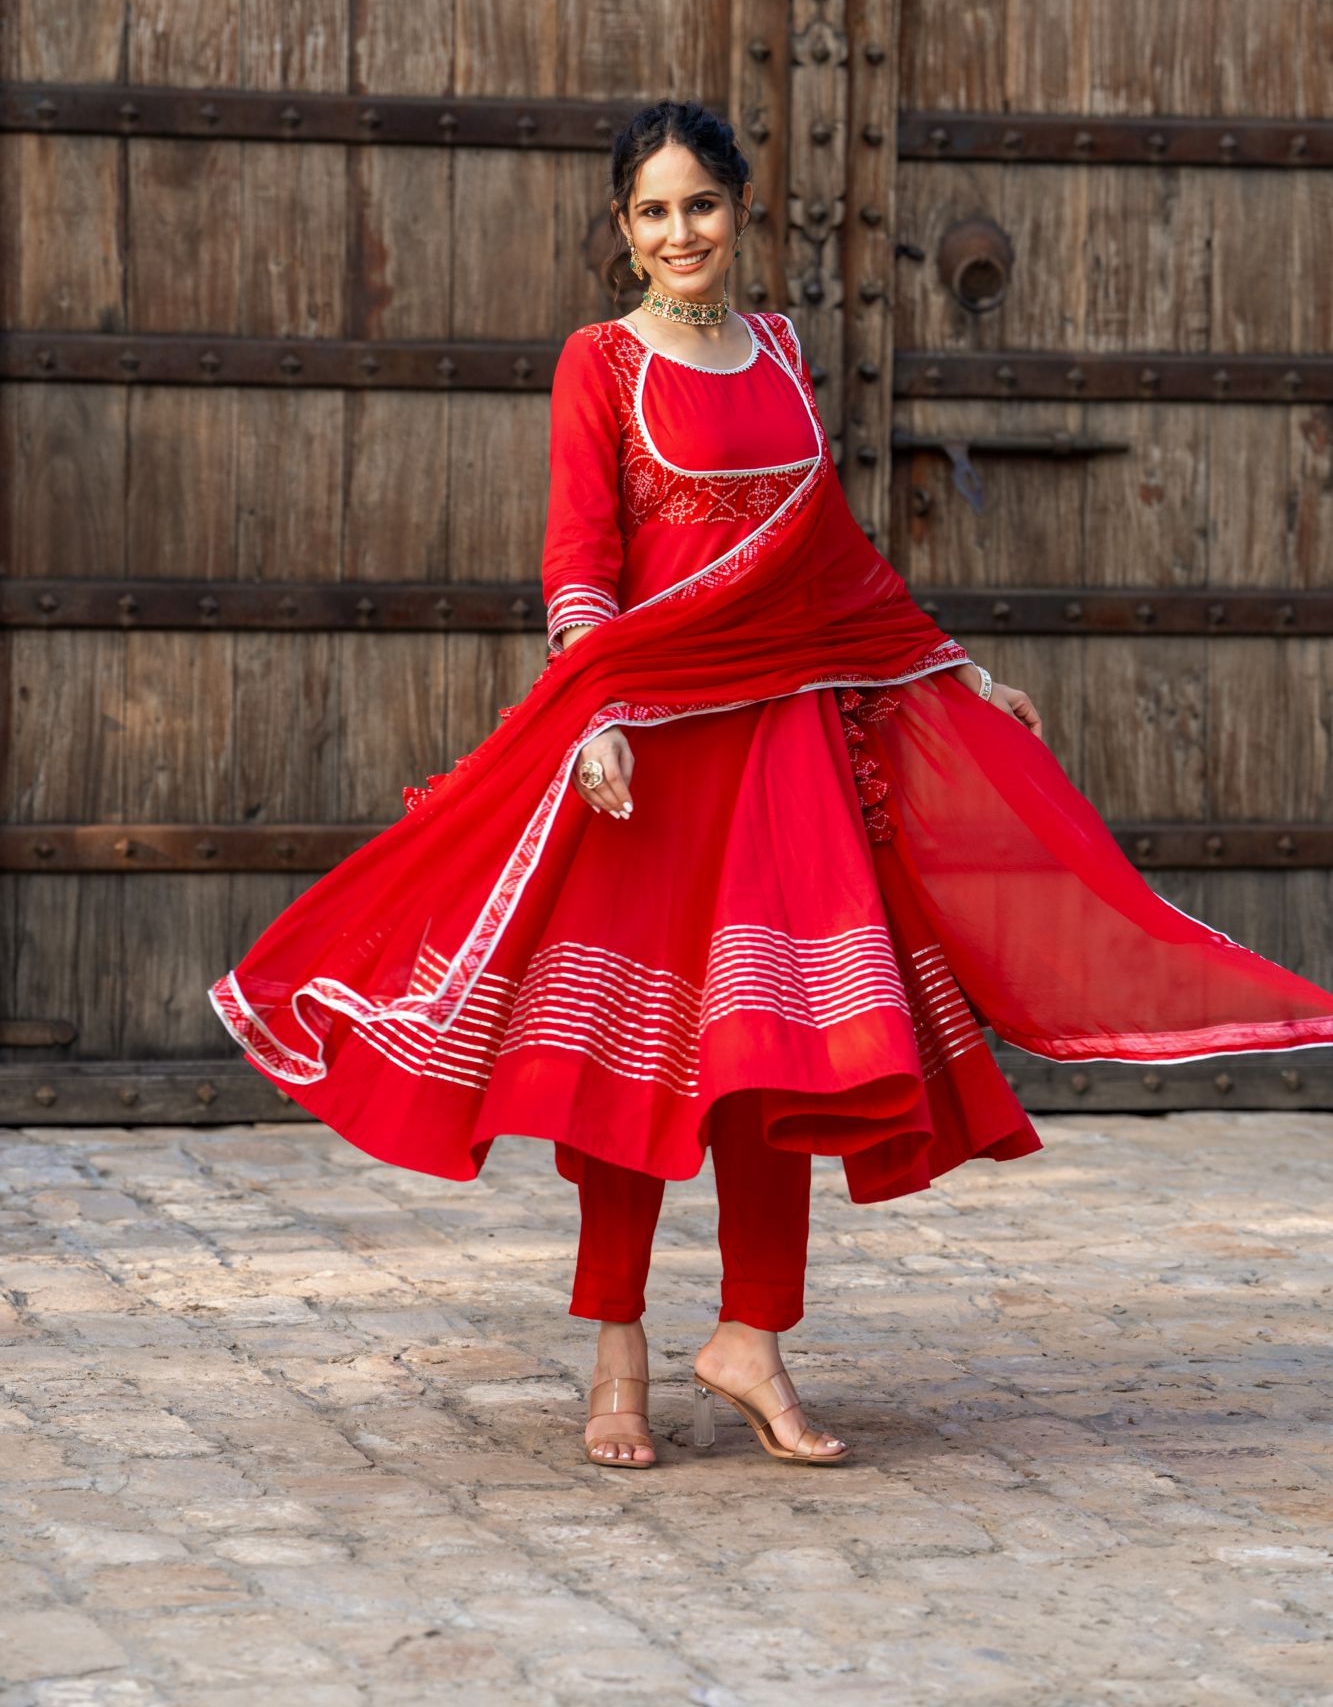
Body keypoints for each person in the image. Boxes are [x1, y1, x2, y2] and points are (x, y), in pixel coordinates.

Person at [211, 100, 1333, 1474]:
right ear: (622, 232)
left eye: (699, 204)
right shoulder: (600, 366)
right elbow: (581, 563)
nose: (678, 232)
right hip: (651, 757)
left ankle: (752, 1335)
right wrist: (598, 716)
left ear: (737, 209)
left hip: (786, 744)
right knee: (623, 1063)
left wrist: (948, 666)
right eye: (651, 211)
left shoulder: (784, 353)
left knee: (778, 1058)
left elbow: (832, 559)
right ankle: (614, 1352)